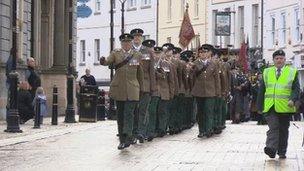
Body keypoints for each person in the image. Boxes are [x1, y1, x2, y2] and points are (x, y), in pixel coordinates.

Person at [99, 33, 144, 150]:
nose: (126, 44)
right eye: (124, 42)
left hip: (133, 88)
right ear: (121, 43)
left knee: (129, 113)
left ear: (131, 43)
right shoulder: (116, 53)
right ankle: (122, 140)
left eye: (128, 42)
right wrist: (103, 60)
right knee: (120, 115)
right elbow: (108, 61)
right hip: (119, 88)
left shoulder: (137, 55)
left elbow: (140, 73)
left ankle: (128, 136)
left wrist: (142, 89)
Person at [257, 50, 300, 159]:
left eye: (281, 58)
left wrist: (292, 99)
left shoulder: (292, 72)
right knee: (274, 127)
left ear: (285, 60)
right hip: (270, 106)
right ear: (273, 60)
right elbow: (262, 90)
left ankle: (282, 151)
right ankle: (271, 149)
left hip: (285, 107)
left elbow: (296, 89)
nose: (279, 60)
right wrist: (259, 106)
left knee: (283, 130)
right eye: (277, 58)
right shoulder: (266, 72)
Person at [190, 44, 220, 138]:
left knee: (209, 111)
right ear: (199, 54)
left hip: (210, 92)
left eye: (205, 52)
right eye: (201, 52)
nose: (203, 54)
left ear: (208, 54)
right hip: (199, 91)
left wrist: (218, 92)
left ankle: (209, 130)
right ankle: (201, 130)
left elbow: (217, 79)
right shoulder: (195, 63)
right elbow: (192, 78)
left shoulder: (213, 64)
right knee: (201, 112)